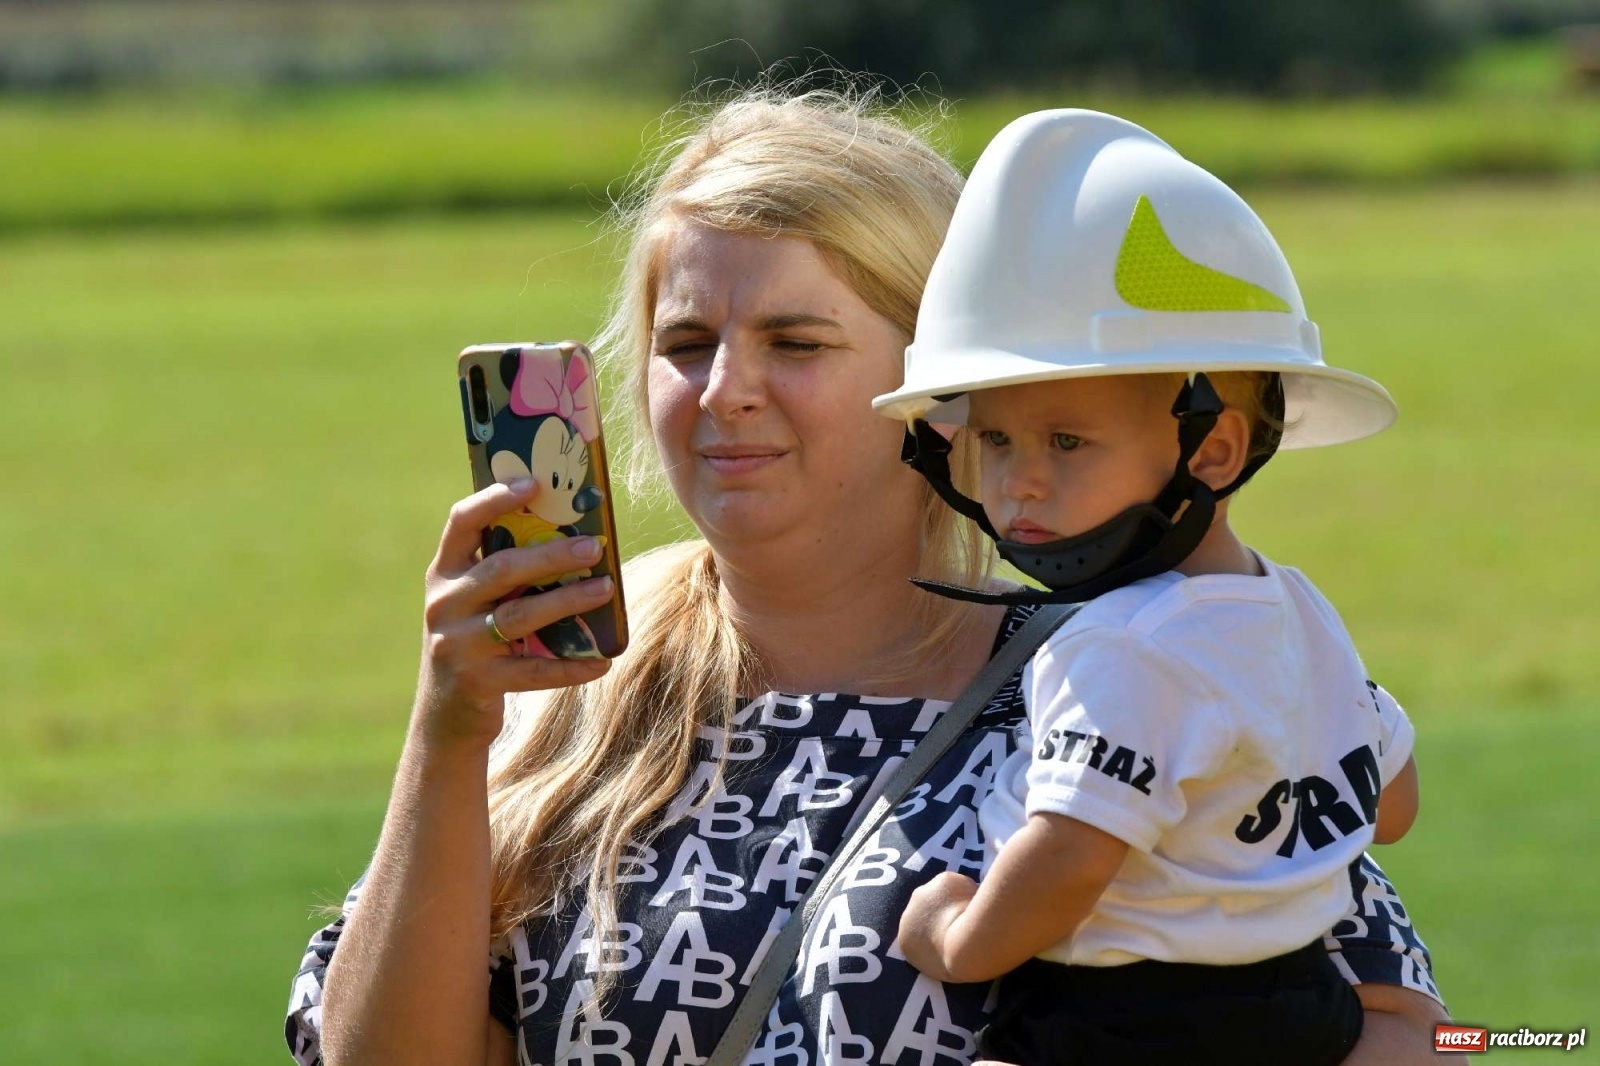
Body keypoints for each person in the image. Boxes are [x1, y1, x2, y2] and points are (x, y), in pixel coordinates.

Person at [285, 86, 1448, 1066]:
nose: (724, 390)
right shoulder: (566, 691)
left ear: (949, 394)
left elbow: (1414, 1034)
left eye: (794, 343)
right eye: (685, 345)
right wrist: (449, 731)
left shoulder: (1135, 666)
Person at [878, 110, 1422, 1065]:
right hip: (1304, 1000)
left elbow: (1071, 857)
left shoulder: (1119, 645)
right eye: (995, 438)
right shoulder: (1299, 610)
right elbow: (1392, 804)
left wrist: (958, 940)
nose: (1020, 483)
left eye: (1067, 442)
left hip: (1126, 1020)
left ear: (1212, 450)